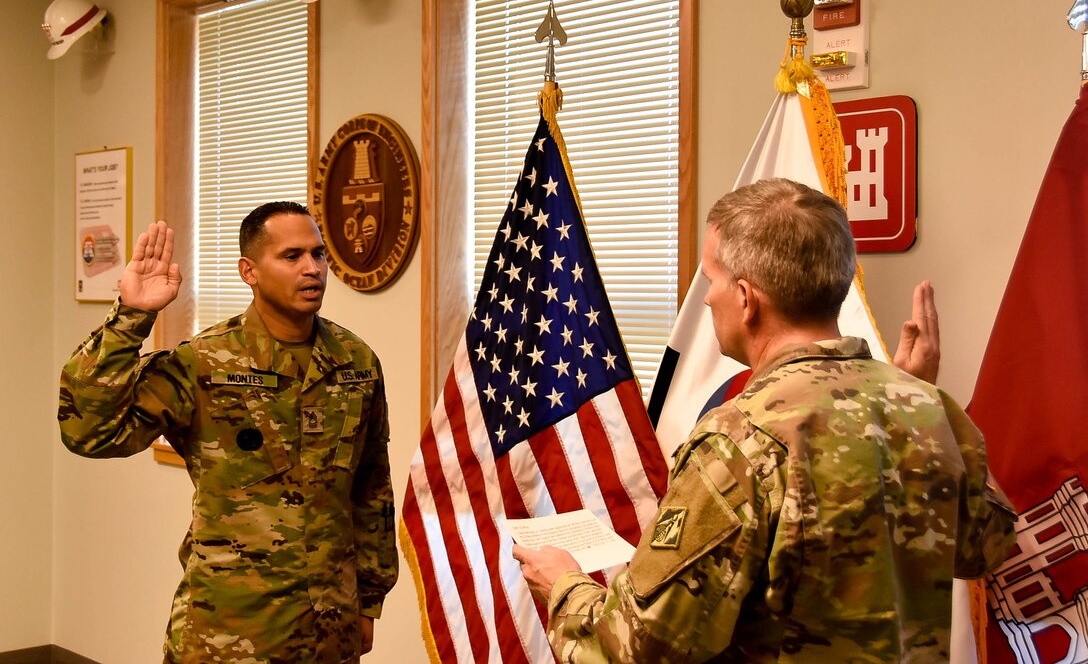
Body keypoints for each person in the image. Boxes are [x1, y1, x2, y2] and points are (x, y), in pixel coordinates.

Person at [513, 178, 1017, 663]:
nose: (708, 297)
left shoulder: (740, 440)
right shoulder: (927, 408)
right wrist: (927, 410)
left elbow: (641, 647)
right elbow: (988, 547)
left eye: (711, 279)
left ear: (747, 299)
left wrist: (564, 586)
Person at [58, 202, 398, 664]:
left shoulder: (356, 362)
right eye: (292, 255)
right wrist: (131, 318)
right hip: (228, 631)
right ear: (249, 271)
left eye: (318, 255)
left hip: (330, 624)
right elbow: (90, 432)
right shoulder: (205, 362)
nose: (312, 268)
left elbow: (371, 488)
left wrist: (370, 599)